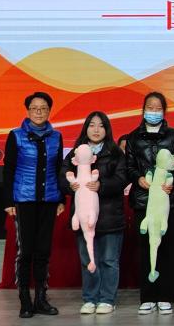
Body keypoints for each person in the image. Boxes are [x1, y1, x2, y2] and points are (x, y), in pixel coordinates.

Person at [58, 111, 128, 315]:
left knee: (109, 260)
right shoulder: (75, 153)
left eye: (101, 125)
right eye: (92, 125)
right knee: (87, 259)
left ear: (107, 129)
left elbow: (122, 178)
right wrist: (69, 186)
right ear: (86, 128)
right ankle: (90, 298)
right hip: (83, 217)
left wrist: (102, 185)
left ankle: (107, 299)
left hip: (110, 216)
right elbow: (62, 177)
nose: (96, 130)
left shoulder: (115, 153)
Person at [3, 91, 65, 318]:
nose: (39, 112)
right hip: (24, 200)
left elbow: (59, 169)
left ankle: (41, 298)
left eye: (43, 108)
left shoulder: (56, 137)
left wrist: (60, 199)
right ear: (28, 111)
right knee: (26, 251)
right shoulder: (16, 136)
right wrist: (8, 201)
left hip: (49, 200)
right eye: (34, 108)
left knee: (43, 251)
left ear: (49, 111)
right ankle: (24, 299)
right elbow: (8, 169)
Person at [124, 91, 174, 315]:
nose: (153, 111)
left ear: (164, 111)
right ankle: (148, 297)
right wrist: (138, 178)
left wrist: (172, 182)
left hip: (170, 202)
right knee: (146, 249)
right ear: (143, 110)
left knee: (168, 248)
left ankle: (166, 296)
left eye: (158, 108)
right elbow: (129, 166)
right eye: (149, 107)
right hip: (144, 201)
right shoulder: (133, 137)